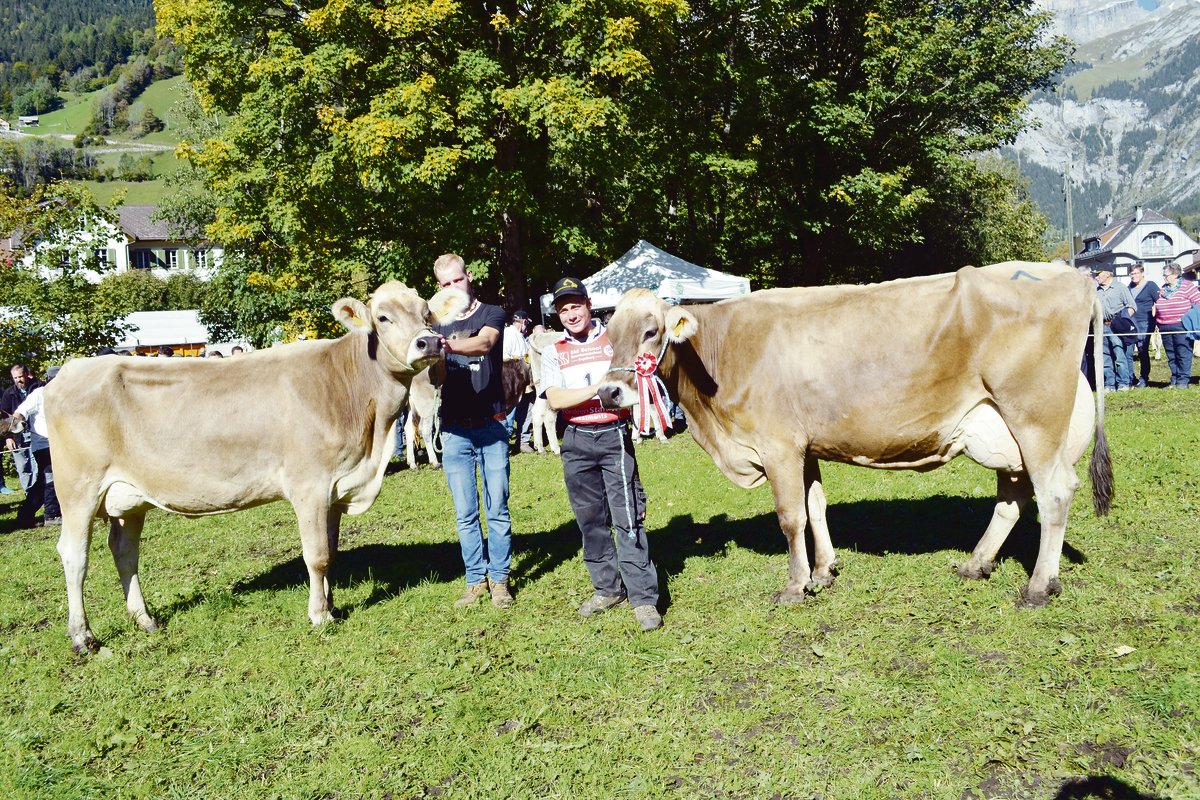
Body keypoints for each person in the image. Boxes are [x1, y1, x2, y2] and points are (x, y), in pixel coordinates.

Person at [541, 277, 662, 632]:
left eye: (575, 306)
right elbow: (555, 399)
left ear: (588, 304)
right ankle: (607, 589)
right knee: (590, 520)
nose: (571, 314)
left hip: (613, 436)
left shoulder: (614, 339)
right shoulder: (553, 350)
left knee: (628, 517)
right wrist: (601, 387)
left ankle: (643, 598)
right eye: (563, 309)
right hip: (575, 439)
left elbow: (640, 374)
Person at [432, 253, 513, 608]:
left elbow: (485, 343)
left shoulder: (492, 312)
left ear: (469, 276)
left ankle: (500, 580)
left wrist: (446, 346)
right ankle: (475, 580)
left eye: (457, 279)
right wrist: (432, 359)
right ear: (439, 287)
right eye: (445, 283)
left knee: (497, 509)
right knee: (465, 513)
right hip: (454, 431)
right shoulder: (437, 325)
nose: (454, 287)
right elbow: (436, 378)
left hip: (492, 425)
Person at [11, 366, 61, 528]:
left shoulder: (65, 394)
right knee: (51, 478)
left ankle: (25, 516)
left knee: (42, 482)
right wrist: (14, 426)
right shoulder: (39, 394)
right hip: (43, 445)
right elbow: (21, 411)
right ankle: (52, 515)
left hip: (60, 445)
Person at [1153, 263, 1200, 389]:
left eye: (1166, 275)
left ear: (1175, 275)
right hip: (1164, 326)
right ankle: (1174, 380)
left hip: (1181, 326)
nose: (1164, 277)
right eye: (1163, 275)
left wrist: (1190, 317)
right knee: (1171, 354)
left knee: (1183, 353)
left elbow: (1198, 301)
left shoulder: (1187, 286)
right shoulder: (1163, 289)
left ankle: (1183, 381)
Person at [1093, 266, 1136, 392]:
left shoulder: (1120, 288)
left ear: (1108, 274)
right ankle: (1109, 384)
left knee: (1119, 355)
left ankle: (1123, 383)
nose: (1096, 277)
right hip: (1101, 326)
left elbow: (1132, 306)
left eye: (1098, 274)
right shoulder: (1096, 291)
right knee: (1105, 356)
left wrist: (1123, 322)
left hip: (1116, 326)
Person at [2, 364, 43, 494]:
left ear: (26, 374)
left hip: (37, 434)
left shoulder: (38, 388)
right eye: (15, 378)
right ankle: (29, 494)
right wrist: (8, 438)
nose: (18, 380)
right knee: (23, 467)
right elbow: (4, 418)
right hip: (17, 436)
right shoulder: (9, 394)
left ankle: (38, 495)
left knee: (38, 466)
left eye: (20, 376)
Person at [502, 309, 534, 453]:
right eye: (526, 323)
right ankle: (504, 441)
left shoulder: (521, 336)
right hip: (511, 379)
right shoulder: (508, 333)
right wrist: (518, 360)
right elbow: (504, 356)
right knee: (509, 410)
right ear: (524, 321)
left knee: (527, 408)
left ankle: (523, 441)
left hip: (524, 378)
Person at [1127, 264, 1159, 387]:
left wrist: (1156, 319)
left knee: (1142, 350)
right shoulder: (1129, 287)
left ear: (1142, 273)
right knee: (1128, 351)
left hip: (1145, 322)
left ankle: (1144, 378)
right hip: (1130, 323)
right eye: (1131, 274)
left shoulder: (1150, 286)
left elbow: (1159, 302)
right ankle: (1130, 377)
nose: (1133, 276)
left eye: (1136, 273)